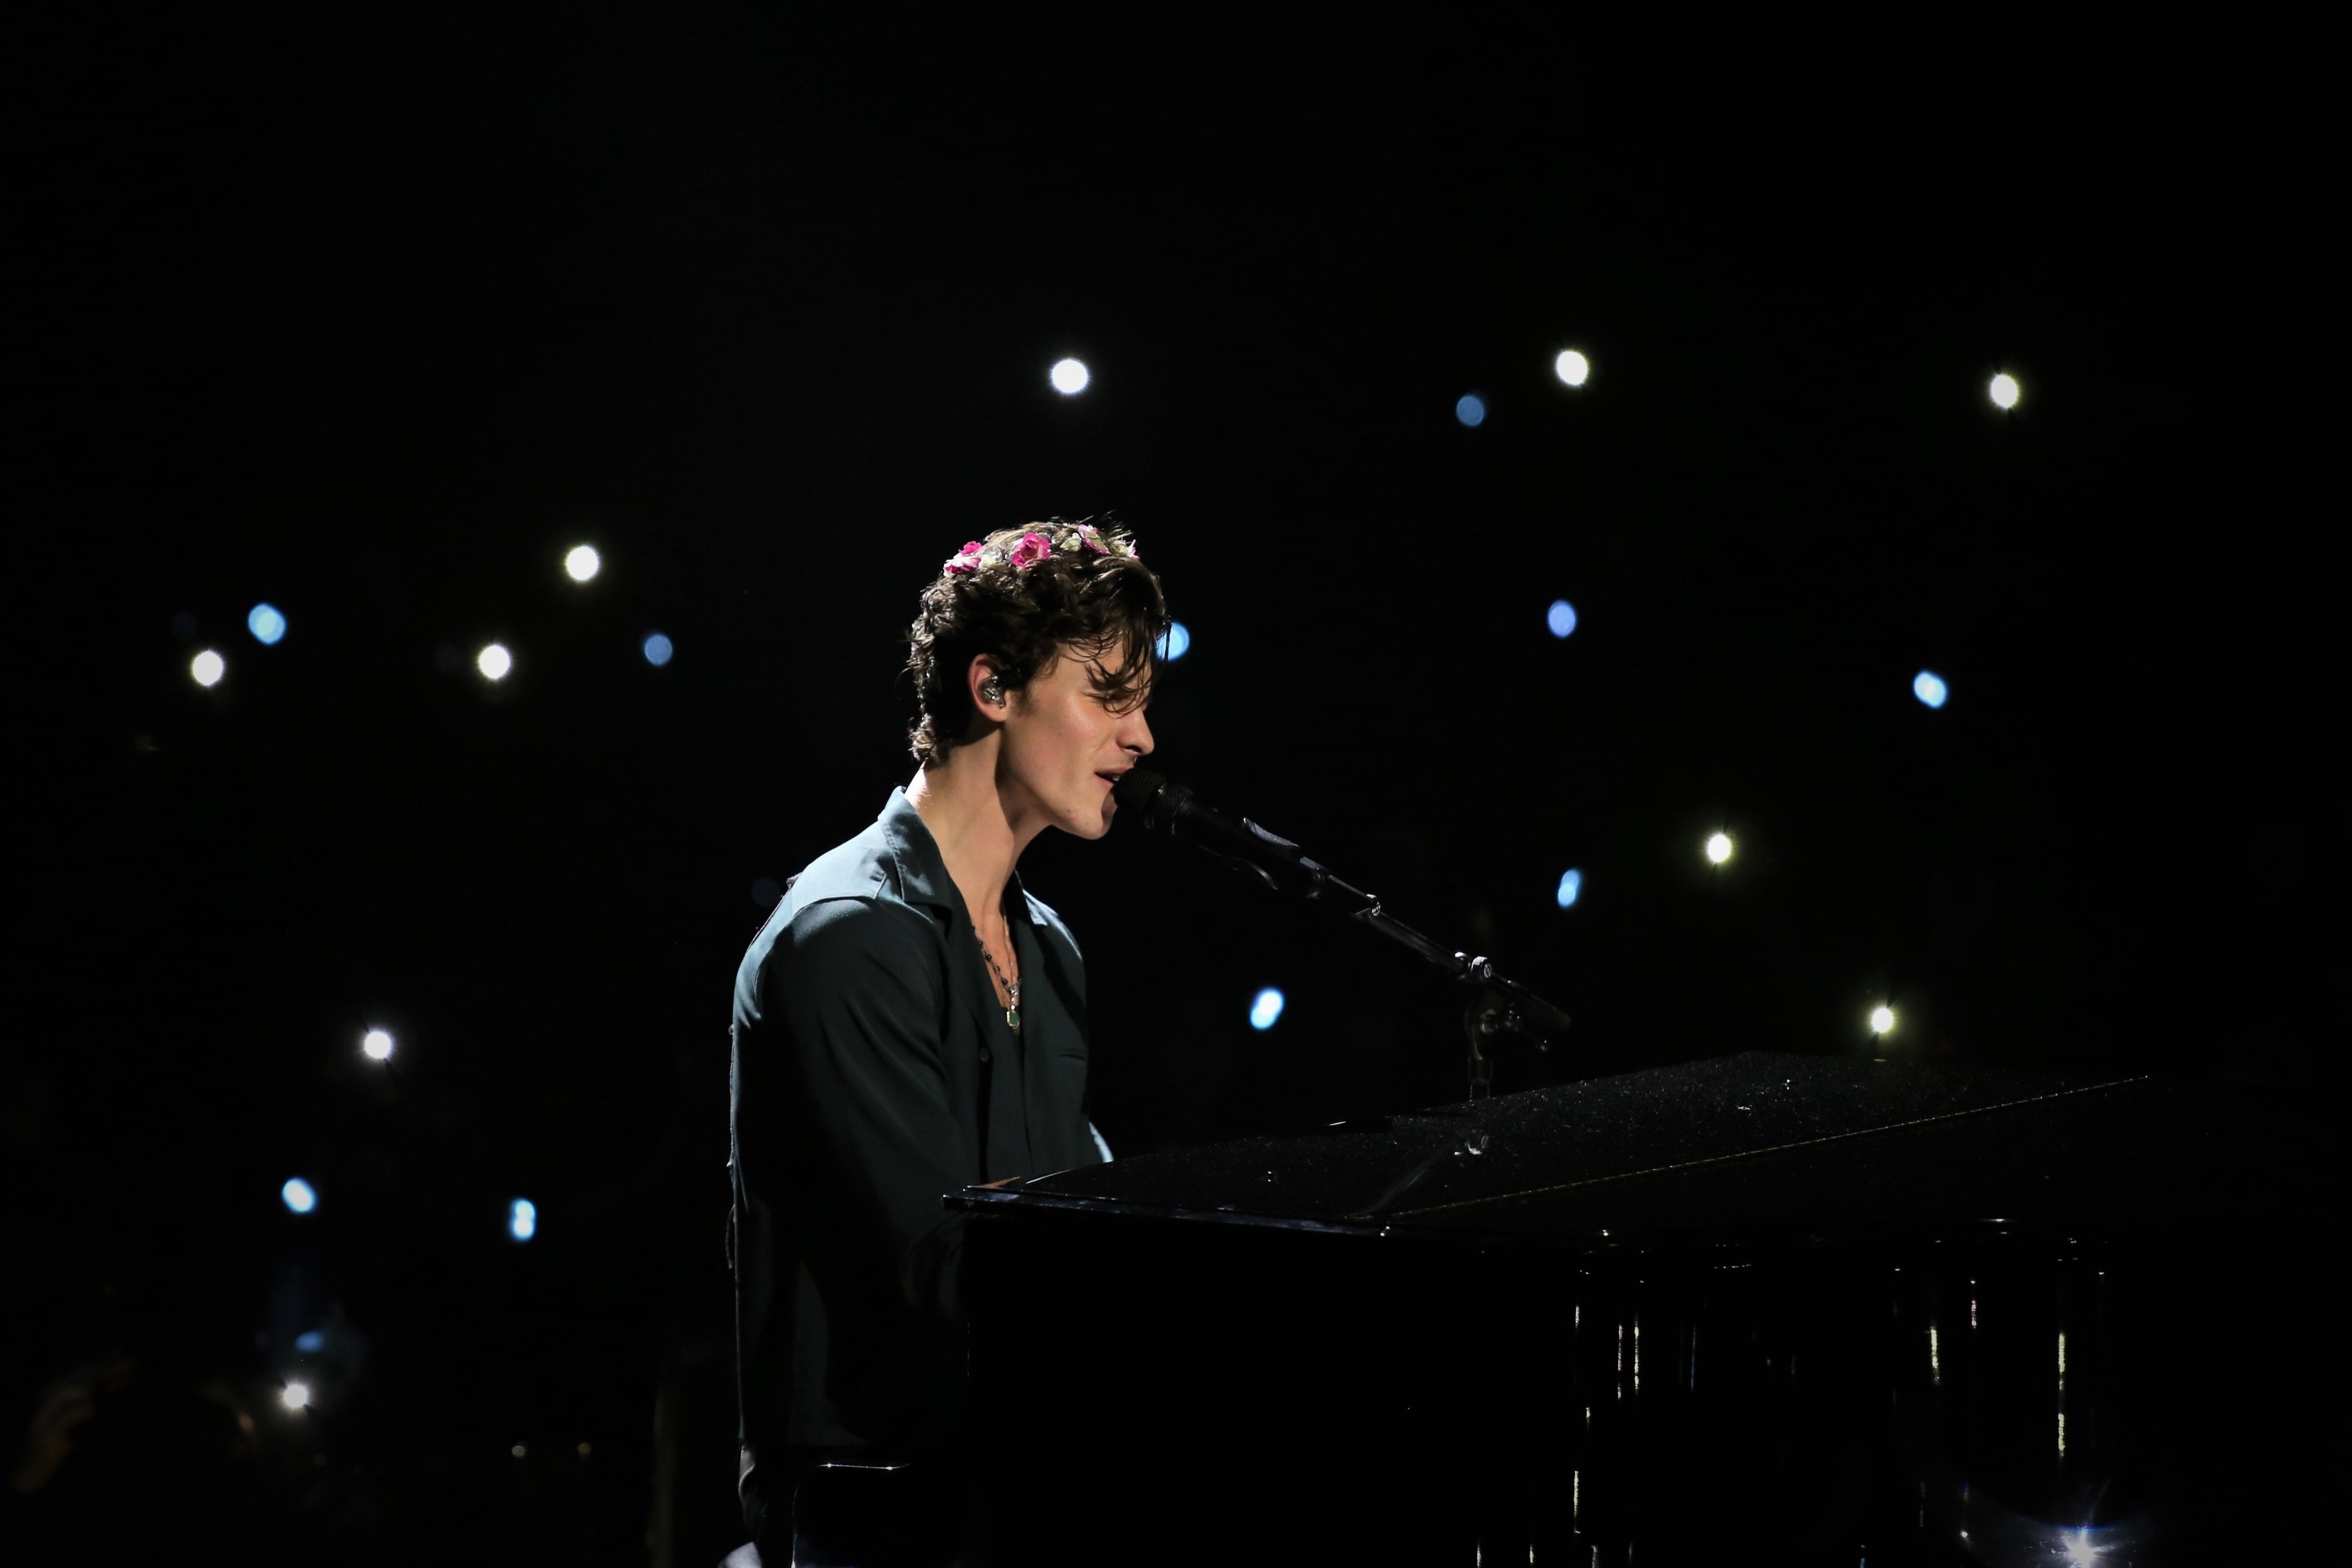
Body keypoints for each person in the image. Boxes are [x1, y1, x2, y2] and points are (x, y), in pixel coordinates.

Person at [728, 519, 1164, 1559]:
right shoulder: (847, 936)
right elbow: (946, 1265)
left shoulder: (1047, 947)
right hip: (871, 1521)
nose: (1143, 735)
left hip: (1015, 1499)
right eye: (1110, 692)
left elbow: (1083, 1210)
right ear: (992, 688)